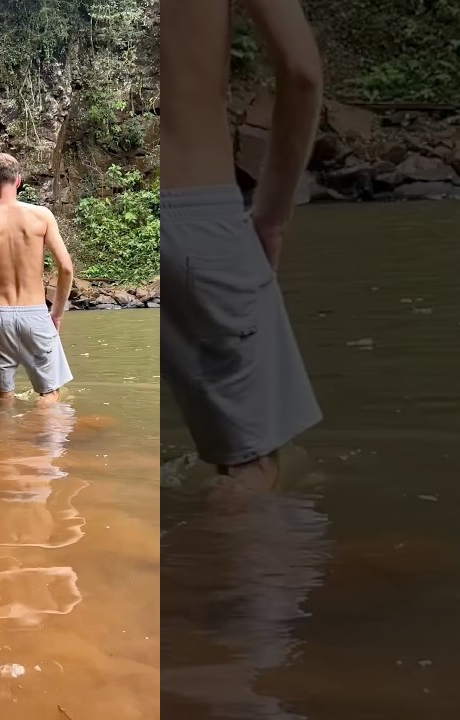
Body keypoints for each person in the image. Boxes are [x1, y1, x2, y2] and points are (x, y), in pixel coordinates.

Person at [162, 0, 323, 491]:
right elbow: (301, 71)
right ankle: (250, 566)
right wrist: (271, 216)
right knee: (251, 466)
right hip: (200, 213)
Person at [0, 153, 74, 405]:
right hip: (35, 314)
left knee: (3, 396)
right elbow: (66, 268)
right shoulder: (42, 216)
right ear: (19, 181)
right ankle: (47, 440)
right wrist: (56, 315)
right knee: (49, 393)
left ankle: (3, 442)